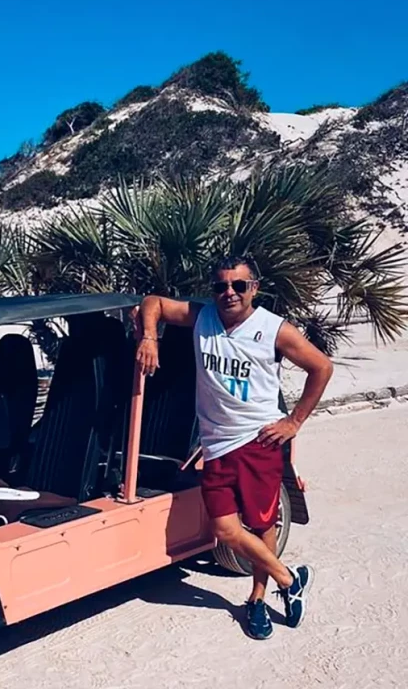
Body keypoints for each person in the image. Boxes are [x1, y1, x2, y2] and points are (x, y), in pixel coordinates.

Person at [136, 254, 334, 640]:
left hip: (258, 441)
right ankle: (290, 579)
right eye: (221, 286)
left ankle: (258, 601)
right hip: (214, 444)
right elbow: (153, 303)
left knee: (261, 525)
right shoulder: (203, 317)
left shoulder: (274, 329)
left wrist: (293, 422)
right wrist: (149, 336)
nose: (229, 292)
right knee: (226, 530)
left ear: (253, 289)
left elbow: (321, 367)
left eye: (239, 285)